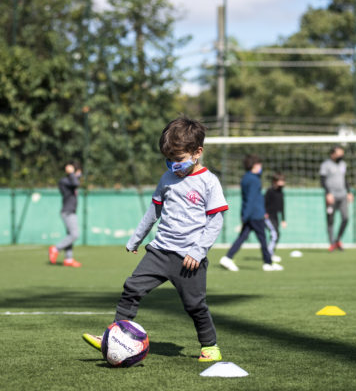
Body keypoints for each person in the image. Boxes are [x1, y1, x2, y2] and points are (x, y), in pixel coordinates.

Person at [82, 117, 229, 362]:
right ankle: (114, 335)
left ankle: (210, 346)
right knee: (131, 288)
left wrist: (198, 251)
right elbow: (154, 212)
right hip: (160, 252)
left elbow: (216, 221)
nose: (172, 165)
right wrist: (136, 238)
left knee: (195, 306)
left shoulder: (209, 182)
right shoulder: (166, 179)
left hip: (189, 259)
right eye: (168, 159)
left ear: (197, 153)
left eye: (178, 159)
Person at [220, 155, 283, 272]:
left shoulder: (246, 178)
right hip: (255, 215)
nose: (261, 167)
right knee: (262, 239)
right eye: (259, 164)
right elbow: (251, 199)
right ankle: (268, 263)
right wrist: (246, 216)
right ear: (254, 166)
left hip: (251, 214)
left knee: (243, 237)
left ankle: (227, 258)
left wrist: (245, 215)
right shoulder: (254, 180)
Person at [319, 145, 353, 251]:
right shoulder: (326, 165)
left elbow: (345, 179)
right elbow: (322, 180)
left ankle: (338, 239)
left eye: (342, 154)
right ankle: (332, 242)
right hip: (331, 196)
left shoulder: (343, 164)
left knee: (345, 218)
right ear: (333, 154)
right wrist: (328, 193)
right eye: (339, 154)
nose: (341, 156)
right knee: (330, 219)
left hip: (342, 195)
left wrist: (349, 192)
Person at [48, 162, 82, 267]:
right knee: (74, 234)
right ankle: (55, 249)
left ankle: (68, 259)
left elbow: (76, 183)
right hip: (67, 211)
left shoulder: (71, 181)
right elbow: (76, 183)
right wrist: (72, 173)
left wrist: (73, 174)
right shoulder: (65, 181)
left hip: (71, 211)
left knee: (70, 235)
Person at [264, 172, 287, 263]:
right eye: (280, 180)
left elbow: (282, 206)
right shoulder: (270, 191)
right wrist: (264, 213)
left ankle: (270, 252)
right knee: (274, 234)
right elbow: (264, 202)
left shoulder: (281, 192)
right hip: (268, 216)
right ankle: (269, 253)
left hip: (275, 216)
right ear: (275, 181)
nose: (282, 182)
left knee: (277, 234)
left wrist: (283, 219)